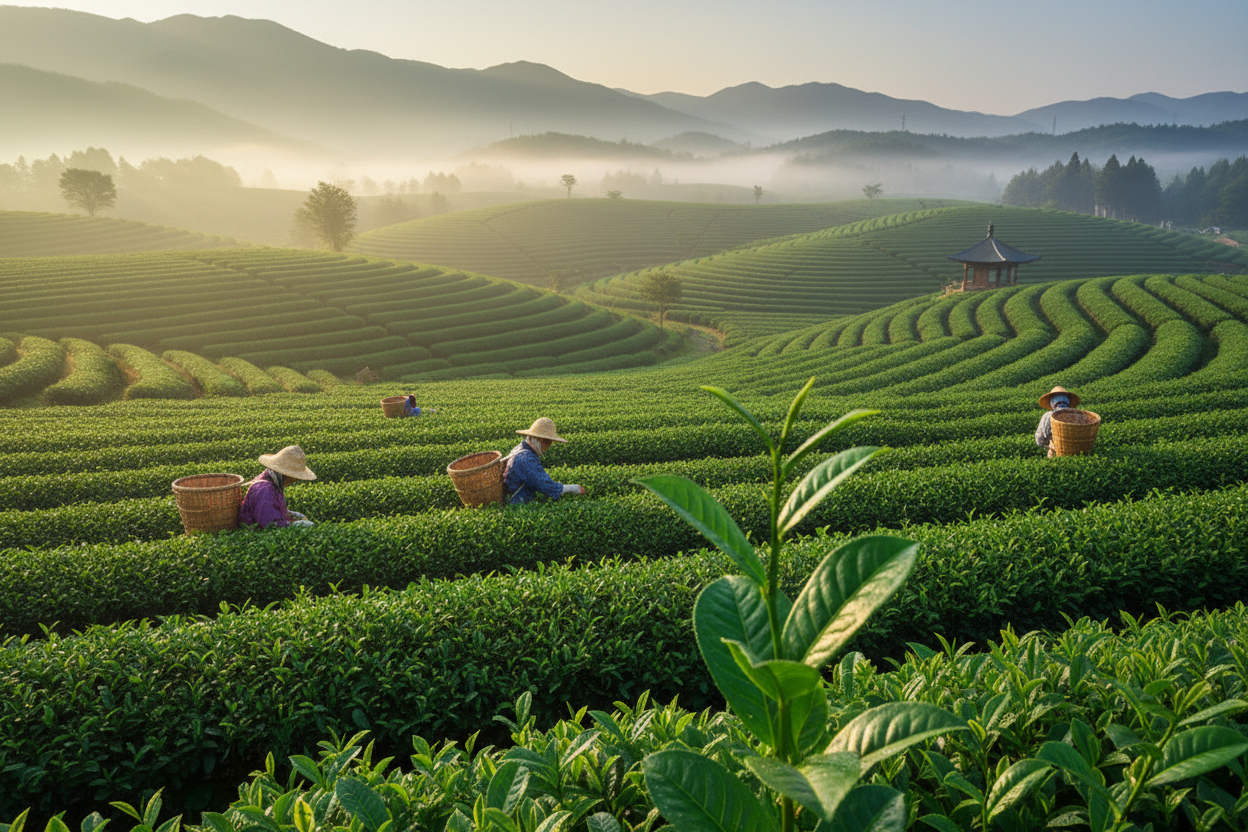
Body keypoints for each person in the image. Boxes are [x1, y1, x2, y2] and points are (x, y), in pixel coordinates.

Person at [503, 417, 586, 505]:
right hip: (517, 503)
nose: (549, 445)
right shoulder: (526, 457)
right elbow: (546, 487)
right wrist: (573, 488)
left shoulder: (520, 448)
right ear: (542, 440)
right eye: (550, 441)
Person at [239, 445, 317, 528]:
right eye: (293, 477)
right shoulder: (265, 490)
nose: (294, 480)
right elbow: (270, 525)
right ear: (284, 475)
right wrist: (296, 524)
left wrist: (289, 514)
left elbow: (272, 509)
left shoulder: (273, 483)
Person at [1036, 386, 1080, 458]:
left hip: (1055, 452)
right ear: (1067, 401)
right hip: (1076, 453)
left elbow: (1039, 439)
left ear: (1053, 403)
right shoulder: (1077, 415)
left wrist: (1047, 446)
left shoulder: (1048, 416)